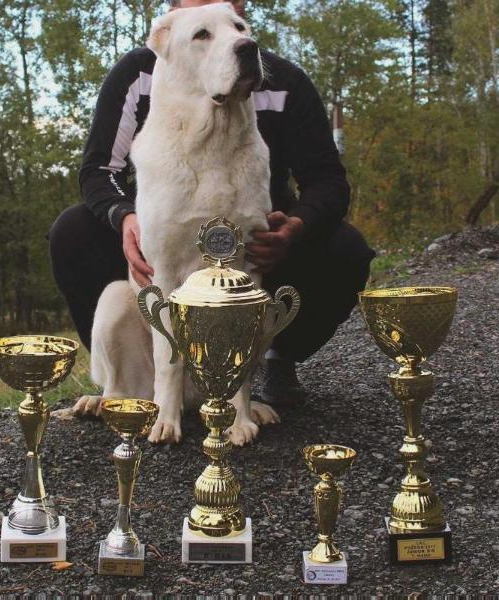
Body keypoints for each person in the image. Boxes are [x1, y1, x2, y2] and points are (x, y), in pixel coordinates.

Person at [49, 0, 375, 408]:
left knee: (345, 248)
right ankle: (128, 378)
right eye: (202, 28)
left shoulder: (284, 80)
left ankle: (275, 357)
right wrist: (125, 217)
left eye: (235, 20)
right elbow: (98, 170)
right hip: (162, 243)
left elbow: (328, 181)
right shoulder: (138, 73)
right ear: (173, 12)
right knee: (73, 232)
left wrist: (294, 227)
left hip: (258, 250)